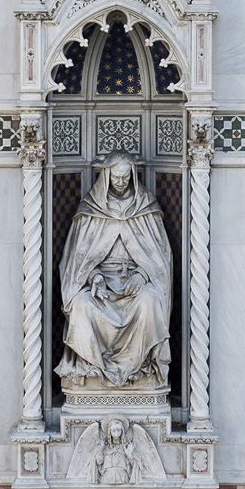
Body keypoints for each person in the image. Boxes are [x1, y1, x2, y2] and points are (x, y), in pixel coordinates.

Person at [56, 151, 172, 388]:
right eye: (116, 177)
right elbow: (77, 260)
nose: (120, 182)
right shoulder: (90, 210)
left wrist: (142, 275)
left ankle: (142, 370)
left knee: (150, 300)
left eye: (125, 177)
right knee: (80, 304)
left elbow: (160, 258)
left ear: (133, 176)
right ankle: (91, 369)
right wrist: (94, 277)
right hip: (100, 286)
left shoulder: (146, 208)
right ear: (105, 176)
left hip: (134, 284)